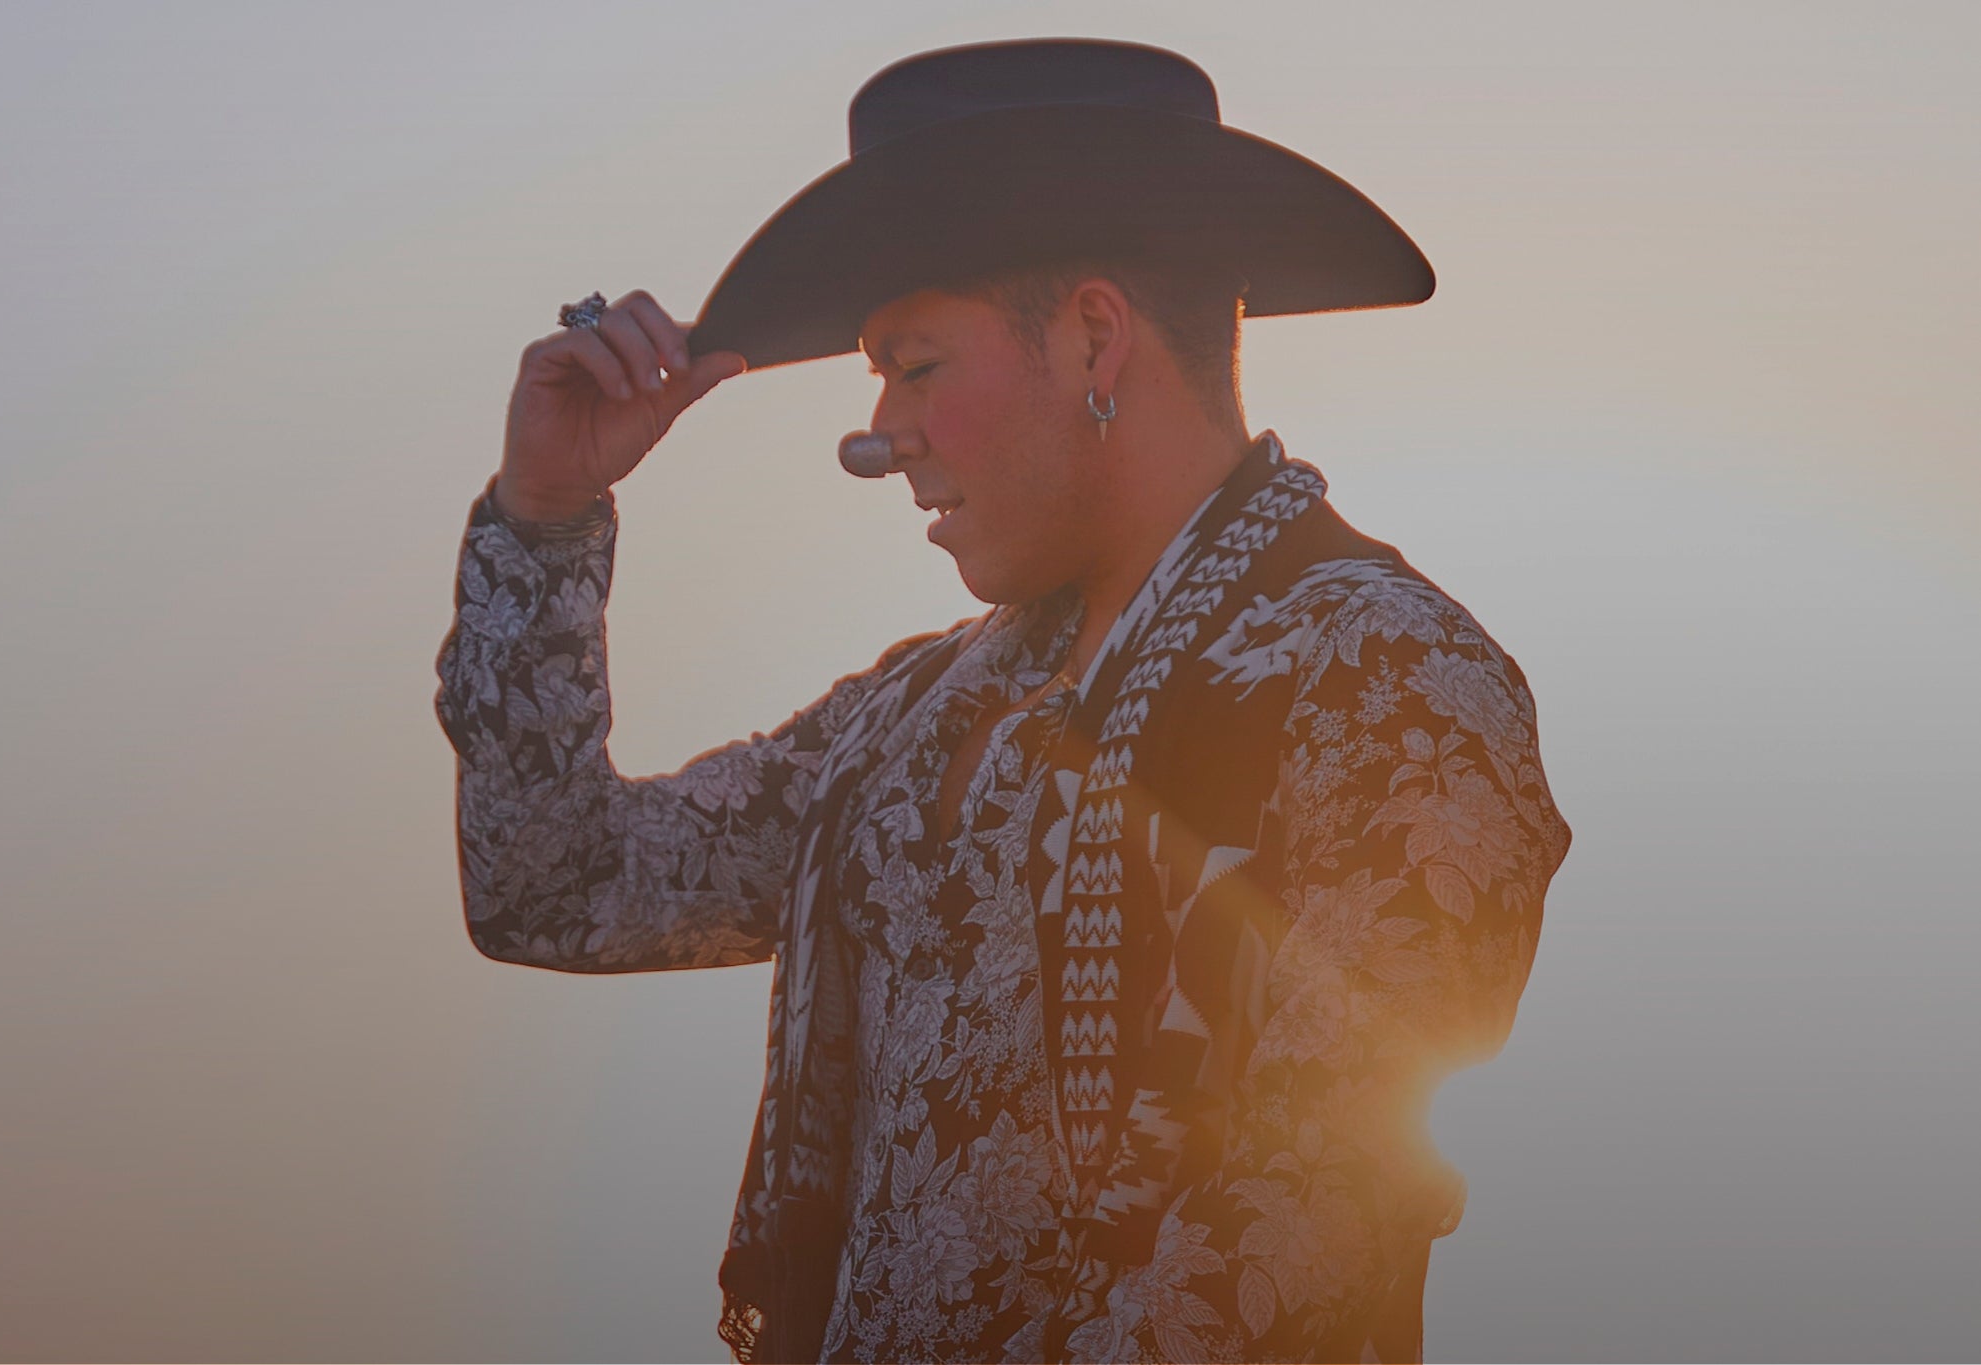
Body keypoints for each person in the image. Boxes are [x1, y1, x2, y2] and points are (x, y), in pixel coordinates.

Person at [434, 38, 1570, 1364]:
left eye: (914, 366)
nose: (877, 435)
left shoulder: (1387, 677)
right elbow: (552, 882)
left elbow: (1316, 1211)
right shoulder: (904, 720)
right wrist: (547, 511)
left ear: (1094, 336)